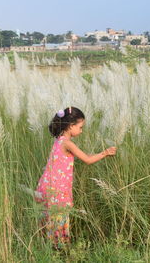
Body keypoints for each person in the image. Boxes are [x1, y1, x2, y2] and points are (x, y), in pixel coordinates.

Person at [35, 106, 117, 249]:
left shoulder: (58, 140)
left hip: (46, 186)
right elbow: (88, 159)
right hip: (57, 190)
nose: (81, 130)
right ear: (70, 126)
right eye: (80, 127)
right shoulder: (68, 143)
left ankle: (49, 249)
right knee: (59, 224)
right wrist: (105, 153)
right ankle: (60, 252)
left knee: (50, 222)